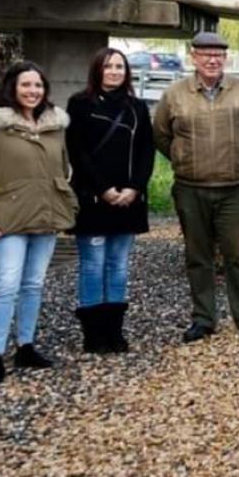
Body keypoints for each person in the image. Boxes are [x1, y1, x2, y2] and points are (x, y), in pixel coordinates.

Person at [0, 62, 78, 386]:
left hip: (46, 217)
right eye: (26, 85)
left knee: (34, 284)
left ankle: (25, 345)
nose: (32, 91)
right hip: (9, 221)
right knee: (7, 285)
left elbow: (64, 171)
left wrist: (67, 206)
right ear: (12, 87)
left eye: (38, 86)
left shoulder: (55, 126)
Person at [153, 31, 239, 343]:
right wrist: (183, 157)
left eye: (218, 54)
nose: (212, 60)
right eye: (205, 54)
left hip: (237, 189)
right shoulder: (175, 94)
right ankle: (203, 318)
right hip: (192, 189)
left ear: (225, 58)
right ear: (194, 57)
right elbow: (161, 135)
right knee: (198, 256)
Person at [66, 48, 156, 354]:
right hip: (93, 199)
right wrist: (103, 188)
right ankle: (93, 333)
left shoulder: (137, 108)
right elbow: (77, 151)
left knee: (118, 265)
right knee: (93, 265)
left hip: (128, 200)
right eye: (108, 66)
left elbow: (146, 151)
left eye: (120, 66)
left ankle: (115, 332)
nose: (115, 72)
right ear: (97, 70)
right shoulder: (80, 105)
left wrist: (135, 187)